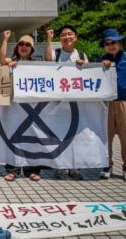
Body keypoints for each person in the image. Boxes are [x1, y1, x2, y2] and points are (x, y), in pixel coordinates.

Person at [44, 25, 88, 180]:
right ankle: (59, 167)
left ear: (75, 37)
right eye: (63, 35)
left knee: (75, 135)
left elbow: (88, 77)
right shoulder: (56, 53)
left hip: (76, 103)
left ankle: (74, 167)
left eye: (70, 34)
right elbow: (48, 60)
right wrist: (49, 39)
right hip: (58, 103)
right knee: (58, 135)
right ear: (60, 38)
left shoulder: (82, 55)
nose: (67, 37)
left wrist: (85, 66)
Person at [0, 30, 43, 181]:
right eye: (21, 44)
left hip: (32, 108)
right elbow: (1, 59)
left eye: (27, 45)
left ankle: (32, 169)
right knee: (13, 137)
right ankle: (13, 169)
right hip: (13, 108)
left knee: (33, 138)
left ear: (32, 49)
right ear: (17, 47)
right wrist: (5, 39)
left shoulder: (37, 65)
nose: (24, 47)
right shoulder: (11, 62)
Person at [100, 29, 126, 183]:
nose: (111, 46)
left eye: (114, 42)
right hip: (107, 103)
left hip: (125, 101)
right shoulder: (101, 59)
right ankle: (106, 165)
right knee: (105, 136)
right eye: (107, 43)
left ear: (120, 43)